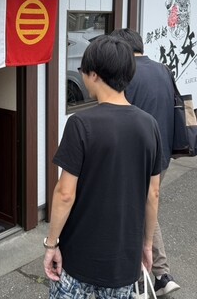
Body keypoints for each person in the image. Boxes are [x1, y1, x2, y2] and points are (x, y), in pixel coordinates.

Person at [44, 35, 161, 298]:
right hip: (123, 261)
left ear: (94, 74)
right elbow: (153, 194)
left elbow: (65, 193)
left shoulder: (80, 124)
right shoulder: (149, 125)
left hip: (77, 258)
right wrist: (147, 244)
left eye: (83, 71)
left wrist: (51, 244)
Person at [110, 28, 181, 297]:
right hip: (161, 155)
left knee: (135, 214)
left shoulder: (126, 74)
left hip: (133, 157)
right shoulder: (163, 70)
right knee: (145, 209)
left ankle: (148, 277)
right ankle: (161, 275)